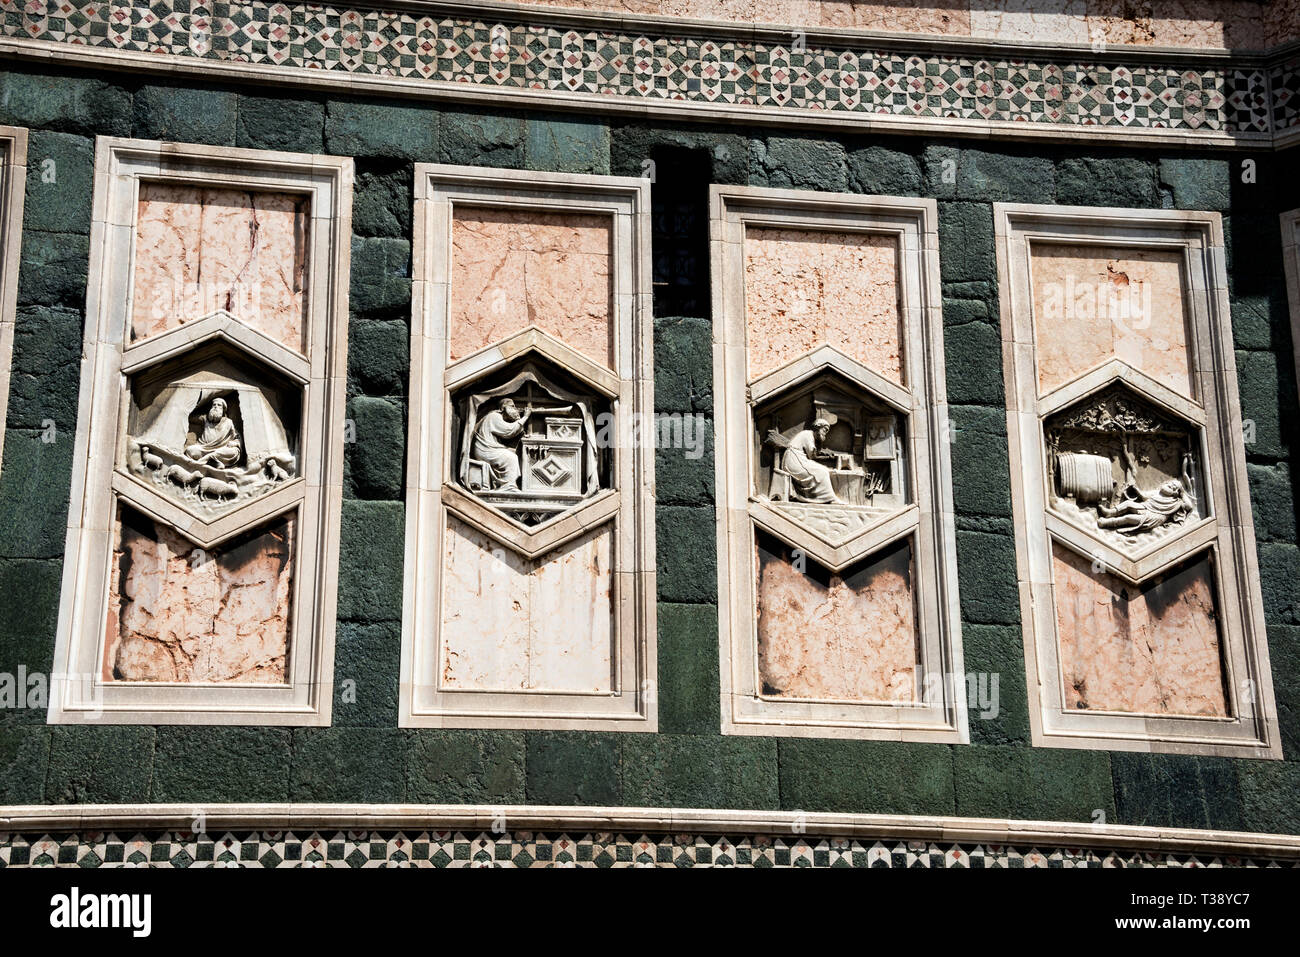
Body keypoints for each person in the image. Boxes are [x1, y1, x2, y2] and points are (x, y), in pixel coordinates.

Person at [1097, 448, 1195, 533]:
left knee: (1129, 518)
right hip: (1145, 507)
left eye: (1173, 488)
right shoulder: (1157, 493)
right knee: (1128, 504)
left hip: (1154, 516)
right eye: (1170, 484)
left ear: (1176, 493)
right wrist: (1136, 490)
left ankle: (1107, 523)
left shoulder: (1176, 502)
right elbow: (1144, 497)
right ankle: (1110, 513)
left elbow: (1189, 506)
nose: (1170, 486)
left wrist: (1182, 494)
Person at [771, 417, 841, 504]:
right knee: (822, 472)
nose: (825, 433)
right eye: (824, 430)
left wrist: (822, 454)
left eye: (826, 432)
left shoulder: (810, 436)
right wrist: (822, 454)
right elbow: (811, 454)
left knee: (825, 470)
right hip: (794, 461)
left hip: (798, 458)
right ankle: (828, 498)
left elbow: (812, 453)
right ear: (818, 427)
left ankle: (822, 496)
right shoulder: (808, 434)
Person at [471, 397, 533, 489]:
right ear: (503, 408)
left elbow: (510, 430)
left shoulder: (497, 418)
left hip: (489, 448)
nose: (515, 409)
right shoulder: (494, 416)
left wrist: (522, 434)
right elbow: (508, 431)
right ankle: (508, 486)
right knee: (511, 458)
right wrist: (525, 417)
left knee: (512, 452)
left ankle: (506, 483)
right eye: (512, 406)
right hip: (485, 450)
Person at [183, 397, 242, 468]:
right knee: (190, 450)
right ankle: (212, 462)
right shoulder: (205, 419)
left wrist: (235, 443)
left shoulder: (228, 422)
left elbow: (237, 437)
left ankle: (203, 461)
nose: (216, 407)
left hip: (220, 450)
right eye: (214, 405)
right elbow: (191, 417)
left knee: (234, 452)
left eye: (219, 405)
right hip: (204, 448)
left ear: (223, 409)